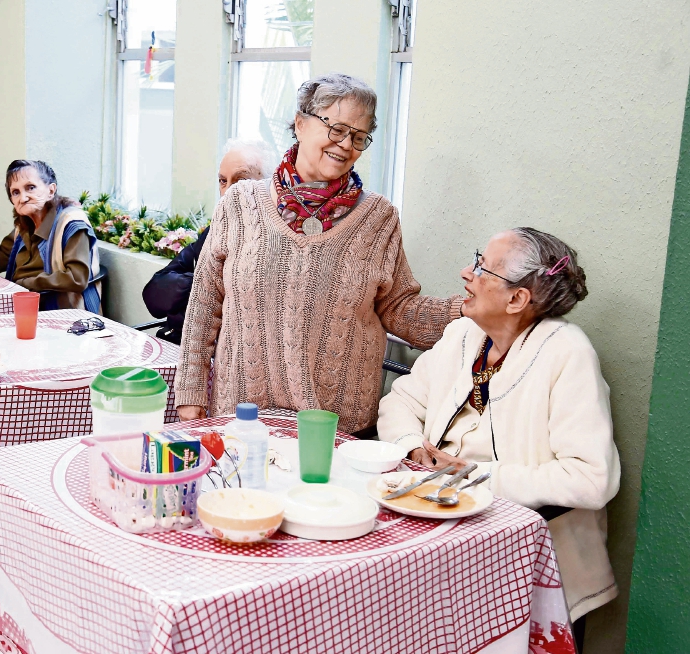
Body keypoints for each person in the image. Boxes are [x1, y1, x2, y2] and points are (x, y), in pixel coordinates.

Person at [175, 73, 463, 435]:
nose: (346, 145)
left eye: (359, 138)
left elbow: (397, 308)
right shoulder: (240, 202)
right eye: (337, 129)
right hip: (244, 421)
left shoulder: (378, 218)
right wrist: (191, 391)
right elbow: (204, 303)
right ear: (300, 123)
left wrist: (470, 311)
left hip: (335, 429)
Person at [377, 228, 620, 639]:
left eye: (481, 267)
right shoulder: (463, 335)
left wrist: (476, 476)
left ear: (517, 299)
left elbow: (592, 479)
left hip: (532, 561)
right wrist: (413, 448)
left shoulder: (567, 353)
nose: (465, 273)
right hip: (448, 536)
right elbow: (400, 401)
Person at [142, 139, 273, 344]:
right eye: (223, 181)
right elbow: (154, 295)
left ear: (267, 185)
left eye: (240, 180)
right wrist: (203, 283)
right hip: (179, 344)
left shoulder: (276, 242)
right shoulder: (217, 231)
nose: (228, 191)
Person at [0, 160, 101, 312]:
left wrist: (22, 284)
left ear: (51, 191)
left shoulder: (71, 224)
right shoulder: (25, 225)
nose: (23, 198)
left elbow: (76, 278)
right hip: (22, 304)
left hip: (62, 312)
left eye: (30, 188)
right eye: (15, 192)